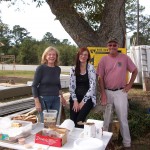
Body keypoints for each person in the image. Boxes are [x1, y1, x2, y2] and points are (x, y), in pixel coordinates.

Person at [96, 38, 138, 149]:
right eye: (110, 45)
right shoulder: (103, 60)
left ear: (118, 46)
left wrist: (129, 85)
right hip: (108, 93)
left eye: (114, 45)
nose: (112, 47)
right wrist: (103, 93)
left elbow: (135, 71)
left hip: (121, 92)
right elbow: (100, 78)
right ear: (107, 46)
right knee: (107, 120)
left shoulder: (124, 58)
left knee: (123, 119)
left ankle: (127, 144)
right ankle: (106, 143)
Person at [32, 46, 66, 123]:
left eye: (54, 55)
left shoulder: (58, 69)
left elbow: (58, 84)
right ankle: (44, 135)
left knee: (53, 122)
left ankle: (50, 135)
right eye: (49, 54)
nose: (52, 56)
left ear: (56, 57)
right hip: (44, 99)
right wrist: (37, 102)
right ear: (45, 56)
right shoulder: (41, 68)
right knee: (45, 123)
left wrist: (62, 97)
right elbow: (34, 86)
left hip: (56, 99)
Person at [69, 47, 96, 128]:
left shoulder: (91, 68)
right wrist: (75, 101)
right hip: (75, 98)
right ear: (78, 56)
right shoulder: (73, 69)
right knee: (72, 122)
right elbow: (71, 86)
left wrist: (83, 102)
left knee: (79, 121)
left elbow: (92, 86)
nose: (83, 56)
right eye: (81, 54)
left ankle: (81, 139)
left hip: (88, 98)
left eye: (85, 55)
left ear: (88, 57)